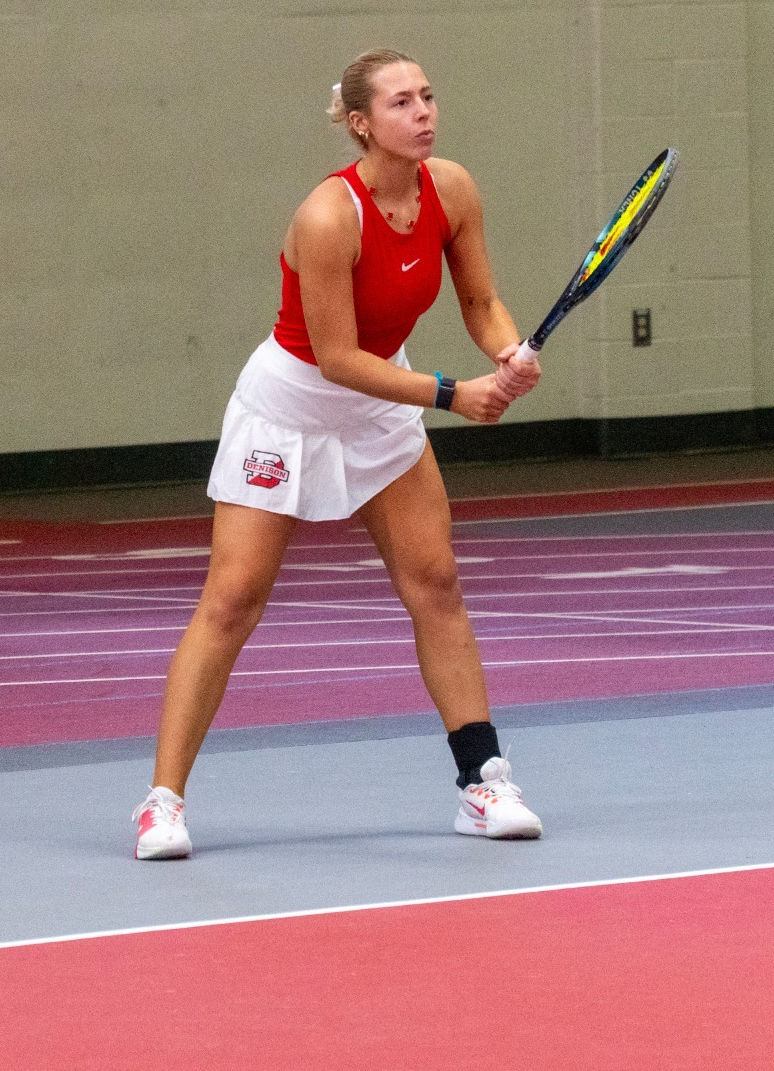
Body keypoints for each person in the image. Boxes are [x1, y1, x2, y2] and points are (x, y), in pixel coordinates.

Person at [134, 48, 544, 860]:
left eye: (428, 96)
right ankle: (162, 802)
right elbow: (335, 357)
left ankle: (484, 780)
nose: (423, 112)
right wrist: (450, 394)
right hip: (292, 408)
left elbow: (480, 300)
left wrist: (508, 353)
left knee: (437, 583)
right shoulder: (328, 215)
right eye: (401, 102)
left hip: (381, 407)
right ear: (361, 123)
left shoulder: (451, 189)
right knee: (233, 599)